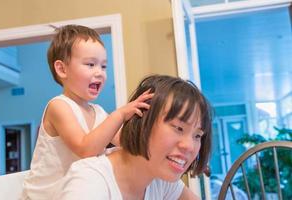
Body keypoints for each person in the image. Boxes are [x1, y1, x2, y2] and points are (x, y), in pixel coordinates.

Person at [21, 25, 152, 199]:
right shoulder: (59, 106)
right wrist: (119, 115)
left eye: (103, 66)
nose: (100, 73)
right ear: (62, 69)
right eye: (90, 64)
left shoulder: (98, 112)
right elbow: (85, 149)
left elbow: (126, 142)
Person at [54, 74, 212, 200]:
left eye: (197, 136)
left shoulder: (160, 178)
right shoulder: (89, 183)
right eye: (178, 128)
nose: (190, 146)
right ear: (142, 121)